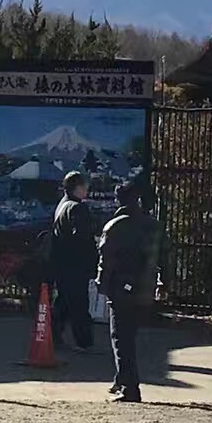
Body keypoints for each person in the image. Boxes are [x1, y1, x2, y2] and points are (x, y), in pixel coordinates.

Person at [97, 182, 160, 403]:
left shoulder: (114, 227)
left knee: (121, 338)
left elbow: (106, 262)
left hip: (120, 289)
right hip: (145, 287)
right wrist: (165, 284)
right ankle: (121, 378)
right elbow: (165, 256)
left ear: (118, 200)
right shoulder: (153, 225)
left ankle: (130, 387)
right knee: (130, 335)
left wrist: (102, 286)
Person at [50, 171, 98, 352]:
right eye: (85, 186)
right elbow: (82, 237)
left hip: (62, 262)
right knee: (78, 303)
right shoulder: (78, 208)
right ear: (78, 187)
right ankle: (83, 341)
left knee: (64, 301)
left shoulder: (62, 205)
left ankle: (54, 334)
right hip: (76, 265)